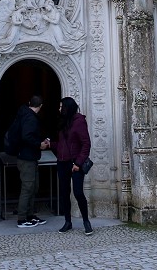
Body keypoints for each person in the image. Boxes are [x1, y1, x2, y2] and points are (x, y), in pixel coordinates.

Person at [50, 97, 93, 235]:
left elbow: (86, 144)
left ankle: (86, 221)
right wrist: (50, 144)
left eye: (61, 106)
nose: (59, 109)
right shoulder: (63, 122)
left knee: (78, 193)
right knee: (64, 193)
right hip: (62, 162)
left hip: (75, 163)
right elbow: (62, 145)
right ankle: (67, 222)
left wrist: (78, 163)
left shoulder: (79, 122)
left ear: (67, 108)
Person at [9, 95, 48, 228]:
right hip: (27, 158)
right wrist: (39, 144)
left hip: (29, 157)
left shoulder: (24, 114)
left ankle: (30, 215)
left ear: (29, 102)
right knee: (27, 188)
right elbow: (27, 136)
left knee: (33, 186)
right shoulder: (30, 118)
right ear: (41, 106)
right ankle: (22, 218)